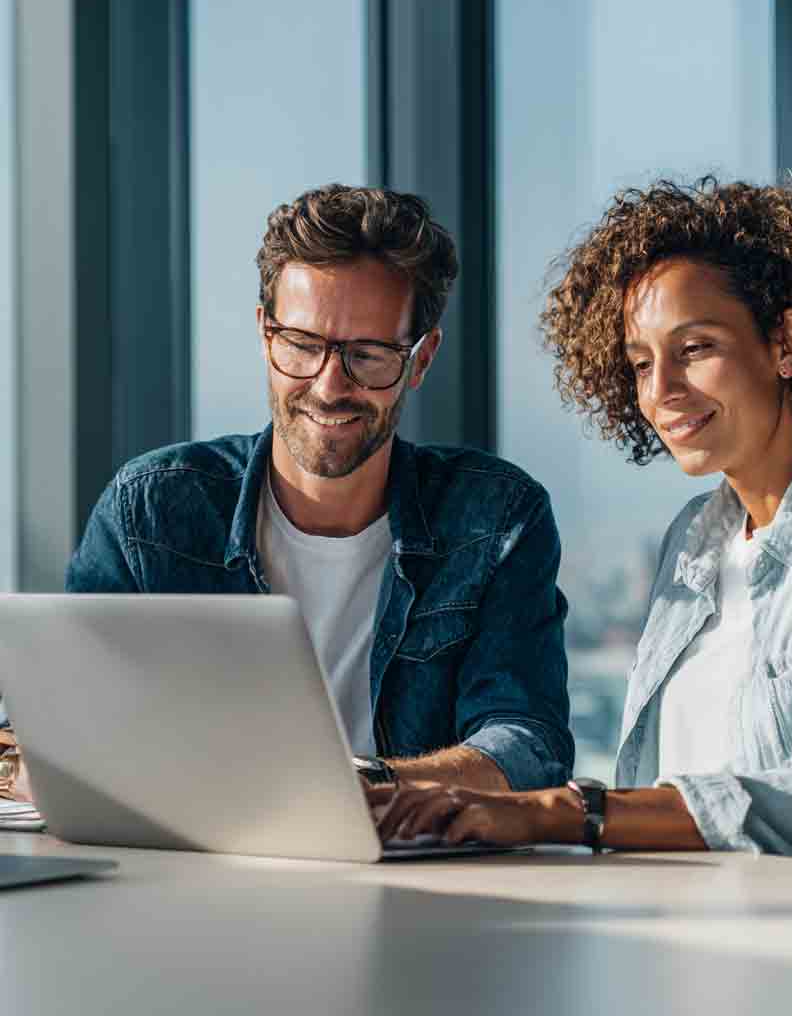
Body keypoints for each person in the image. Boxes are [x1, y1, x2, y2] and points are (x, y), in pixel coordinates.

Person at [373, 177, 792, 877]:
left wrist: (563, 811)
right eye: (642, 363)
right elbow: (667, 781)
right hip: (713, 934)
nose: (660, 393)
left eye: (696, 349)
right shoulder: (693, 540)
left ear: (787, 343)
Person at [1, 184, 572, 799]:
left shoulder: (497, 518)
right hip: (185, 874)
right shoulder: (151, 511)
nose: (329, 386)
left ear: (421, 358)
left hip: (414, 873)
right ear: (265, 334)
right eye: (301, 345)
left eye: (368, 354)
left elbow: (527, 739)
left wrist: (360, 789)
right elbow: (55, 724)